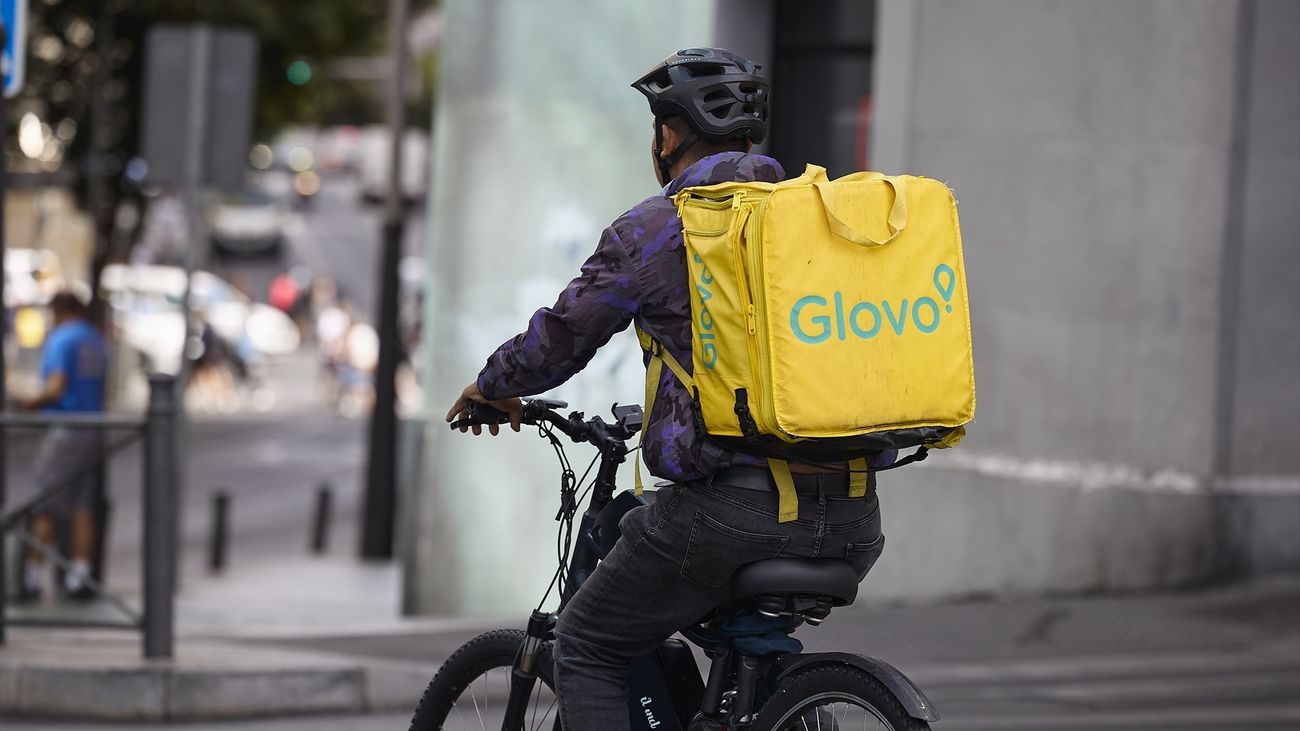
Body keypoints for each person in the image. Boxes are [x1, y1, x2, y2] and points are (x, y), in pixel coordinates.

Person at [445, 49, 895, 729]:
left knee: (591, 640)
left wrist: (491, 385)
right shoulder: (822, 218)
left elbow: (563, 337)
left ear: (669, 135)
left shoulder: (658, 228)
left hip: (732, 516)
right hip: (856, 515)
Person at [15, 291, 109, 602]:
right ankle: (78, 578)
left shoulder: (62, 339)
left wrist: (28, 404)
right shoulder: (96, 340)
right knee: (84, 506)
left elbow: (55, 387)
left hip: (65, 429)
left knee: (45, 504)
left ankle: (30, 578)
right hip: (93, 429)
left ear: (59, 311)